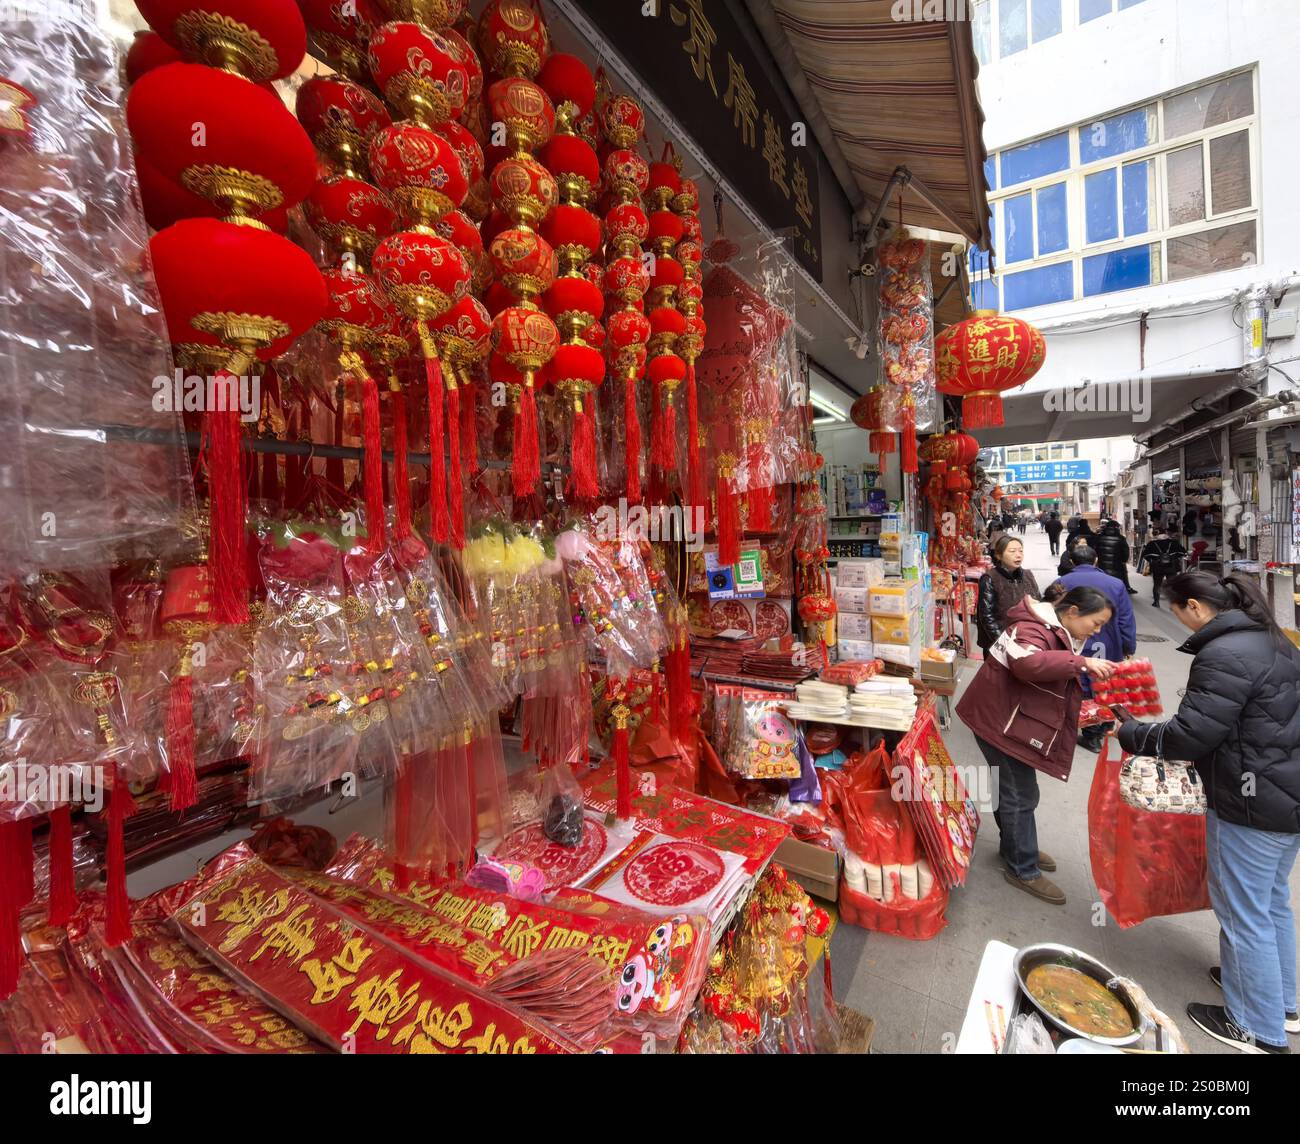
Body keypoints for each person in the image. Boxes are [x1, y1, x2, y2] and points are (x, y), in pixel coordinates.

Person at [1117, 572, 1300, 1054]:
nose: (1178, 619)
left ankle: (1257, 1028)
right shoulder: (1273, 639)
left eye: (1176, 610)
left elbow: (1190, 735)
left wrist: (1134, 734)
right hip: (1285, 796)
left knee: (1244, 914)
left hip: (1252, 802)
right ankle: (1282, 1002)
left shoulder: (1223, 654)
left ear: (1194, 606)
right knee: (1270, 902)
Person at [957, 587, 1117, 904]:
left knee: (1011, 788)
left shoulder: (1054, 630)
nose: (1097, 631)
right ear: (1072, 612)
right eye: (1095, 623)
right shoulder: (1030, 628)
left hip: (1009, 717)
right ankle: (1023, 867)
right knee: (1021, 793)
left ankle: (1015, 845)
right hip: (998, 720)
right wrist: (1080, 662)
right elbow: (1028, 665)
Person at [1056, 546, 1137, 752]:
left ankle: (1087, 731)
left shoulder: (1061, 583)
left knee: (1079, 684)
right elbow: (1126, 619)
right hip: (1108, 644)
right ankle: (1103, 727)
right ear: (1096, 560)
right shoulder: (1116, 584)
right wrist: (1128, 646)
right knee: (1106, 684)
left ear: (1072, 562)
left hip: (1075, 643)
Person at [976, 535, 1041, 653]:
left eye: (1020, 551)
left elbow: (1038, 604)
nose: (1018, 555)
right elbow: (987, 617)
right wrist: (1004, 644)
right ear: (999, 555)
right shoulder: (990, 578)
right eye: (1012, 551)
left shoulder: (1028, 575)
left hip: (1025, 639)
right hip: (998, 641)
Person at [1138, 527, 1187, 609]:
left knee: (1157, 584)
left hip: (1157, 567)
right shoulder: (1174, 542)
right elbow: (1183, 552)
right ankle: (1173, 604)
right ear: (1166, 534)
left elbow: (1145, 555)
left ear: (1157, 535)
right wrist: (1174, 557)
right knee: (1171, 585)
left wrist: (1152, 560)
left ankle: (1156, 602)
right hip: (1171, 567)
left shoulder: (1152, 544)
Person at [1095, 517, 1136, 594]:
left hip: (1101, 566)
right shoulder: (1121, 538)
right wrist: (1123, 561)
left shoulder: (1099, 537)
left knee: (1103, 588)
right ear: (1117, 528)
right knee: (1116, 588)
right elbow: (1125, 553)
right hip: (1116, 567)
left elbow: (1095, 550)